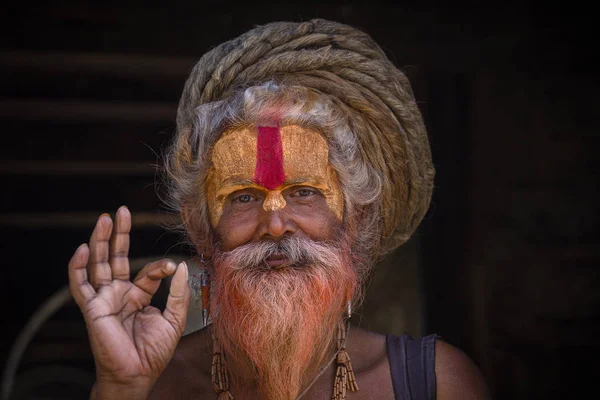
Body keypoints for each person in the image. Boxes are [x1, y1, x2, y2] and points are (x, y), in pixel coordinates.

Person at [67, 19, 491, 400]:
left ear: (355, 219)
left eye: (305, 192)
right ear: (200, 227)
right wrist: (122, 388)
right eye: (243, 197)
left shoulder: (436, 383)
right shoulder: (150, 386)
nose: (274, 224)